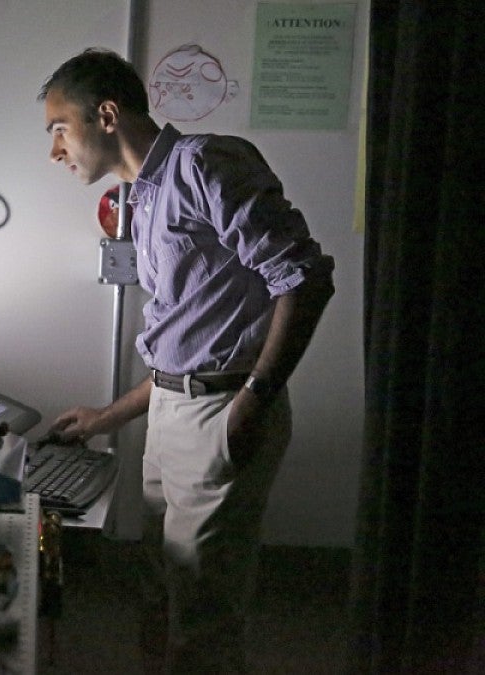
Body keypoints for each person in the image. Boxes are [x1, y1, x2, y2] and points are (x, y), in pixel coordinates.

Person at [37, 48, 335, 673]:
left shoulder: (204, 163)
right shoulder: (141, 198)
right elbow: (186, 342)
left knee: (202, 617)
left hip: (222, 410)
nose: (55, 152)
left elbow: (303, 278)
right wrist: (106, 418)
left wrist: (251, 401)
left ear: (106, 115)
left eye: (58, 129)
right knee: (158, 593)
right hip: (174, 412)